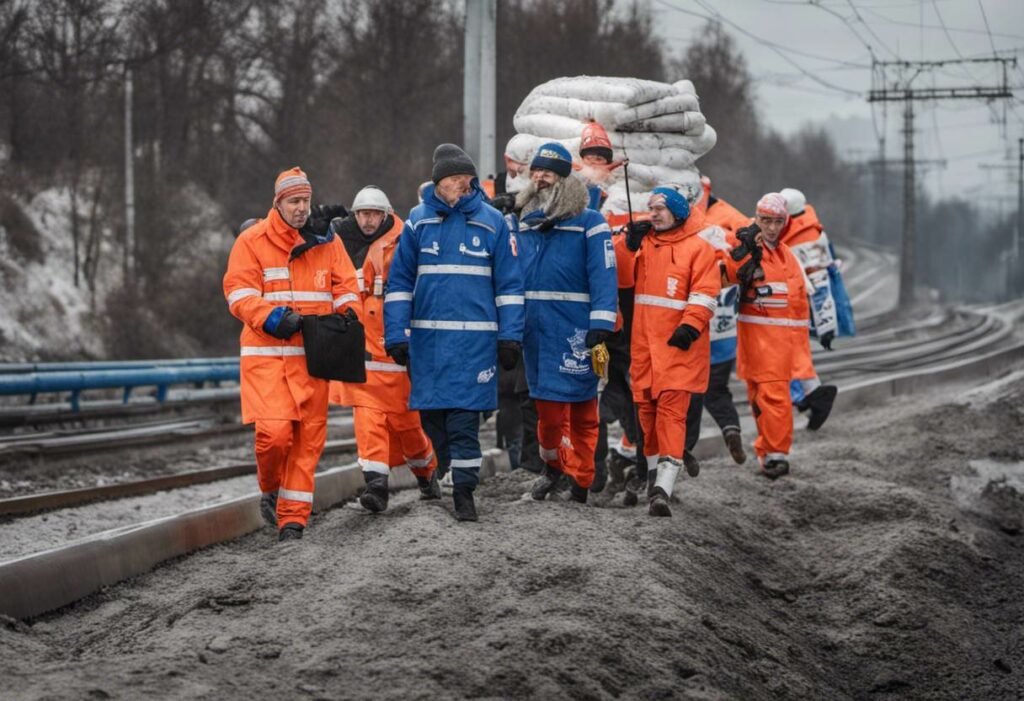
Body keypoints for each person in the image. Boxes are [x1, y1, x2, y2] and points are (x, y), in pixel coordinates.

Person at [384, 144, 524, 522]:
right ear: (438, 184)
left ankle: (464, 492)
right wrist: (395, 334)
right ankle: (443, 473)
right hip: (427, 346)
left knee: (464, 421)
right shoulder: (417, 221)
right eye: (455, 181)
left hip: (474, 345)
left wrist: (510, 336)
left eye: (468, 181)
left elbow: (510, 285)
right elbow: (398, 282)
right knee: (433, 422)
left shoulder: (492, 221)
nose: (463, 187)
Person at [223, 167, 363, 541]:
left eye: (305, 201)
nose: (301, 208)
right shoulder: (251, 241)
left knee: (307, 442)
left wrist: (348, 316)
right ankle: (270, 488)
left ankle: (293, 522)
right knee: (274, 435)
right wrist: (271, 317)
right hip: (267, 357)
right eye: (293, 201)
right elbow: (238, 293)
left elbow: (347, 286)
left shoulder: (326, 242)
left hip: (312, 356)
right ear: (278, 203)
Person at [510, 142, 618, 503]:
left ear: (564, 178)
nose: (540, 178)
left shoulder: (590, 223)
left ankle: (582, 480)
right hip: (532, 329)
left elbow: (604, 275)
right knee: (546, 411)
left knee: (583, 409)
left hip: (574, 329)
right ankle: (553, 468)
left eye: (548, 172)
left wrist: (600, 323)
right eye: (536, 171)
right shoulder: (521, 220)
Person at [328, 186, 440, 513]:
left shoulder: (405, 241)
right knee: (368, 419)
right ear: (355, 214)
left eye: (375, 214)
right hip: (364, 354)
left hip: (397, 354)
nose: (368, 220)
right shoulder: (340, 244)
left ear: (386, 214)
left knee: (408, 427)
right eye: (363, 213)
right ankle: (376, 486)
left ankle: (426, 475)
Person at [625, 186, 720, 517]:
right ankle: (655, 481)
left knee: (671, 415)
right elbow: (621, 278)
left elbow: (707, 292)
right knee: (646, 417)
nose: (653, 213)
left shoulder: (699, 249)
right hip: (644, 349)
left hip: (680, 348)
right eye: (650, 208)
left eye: (660, 208)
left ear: (678, 212)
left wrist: (690, 327)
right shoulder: (644, 245)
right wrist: (628, 246)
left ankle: (664, 487)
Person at [724, 193, 808, 479]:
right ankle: (767, 451)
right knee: (758, 398)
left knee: (774, 397)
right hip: (753, 338)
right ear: (757, 218)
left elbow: (797, 304)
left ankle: (777, 454)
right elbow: (724, 275)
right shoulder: (748, 247)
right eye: (766, 221)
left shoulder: (785, 256)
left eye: (777, 222)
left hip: (775, 340)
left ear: (785, 221)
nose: (772, 228)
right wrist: (741, 258)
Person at [779, 188, 847, 431]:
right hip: (802, 305)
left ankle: (808, 397)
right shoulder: (816, 231)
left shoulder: (800, 241)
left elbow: (813, 280)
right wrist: (826, 324)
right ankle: (810, 397)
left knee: (784, 356)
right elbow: (826, 275)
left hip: (793, 305)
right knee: (794, 355)